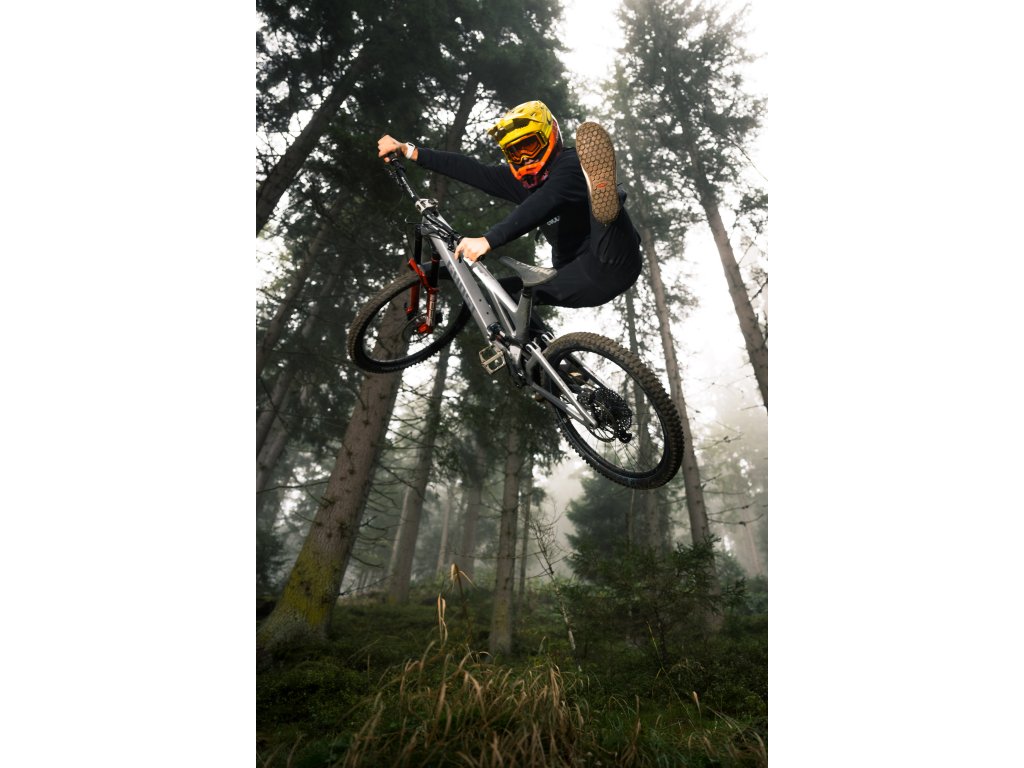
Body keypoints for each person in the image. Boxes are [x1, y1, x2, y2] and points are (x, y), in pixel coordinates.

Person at [376, 100, 642, 340]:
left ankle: (605, 193)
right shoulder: (524, 184)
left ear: (550, 137)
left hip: (613, 260)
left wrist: (489, 240)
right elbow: (473, 171)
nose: (524, 157)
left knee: (605, 215)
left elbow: (546, 200)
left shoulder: (571, 164)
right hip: (576, 277)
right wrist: (409, 151)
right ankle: (549, 364)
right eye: (515, 152)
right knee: (502, 296)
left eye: (529, 146)